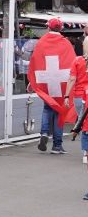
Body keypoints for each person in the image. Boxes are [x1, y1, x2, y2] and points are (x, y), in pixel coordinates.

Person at [37, 18, 73, 154]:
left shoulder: (41, 42)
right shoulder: (66, 43)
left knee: (47, 108)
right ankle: (57, 146)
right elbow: (71, 63)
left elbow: (36, 62)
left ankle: (44, 133)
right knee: (59, 112)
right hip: (62, 82)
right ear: (61, 29)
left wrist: (32, 82)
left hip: (46, 80)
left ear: (48, 28)